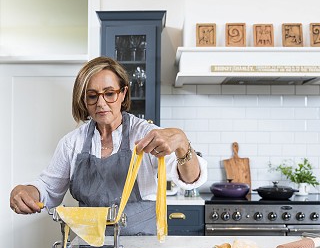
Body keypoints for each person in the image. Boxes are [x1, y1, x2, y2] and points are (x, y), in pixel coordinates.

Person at [10, 56, 207, 235]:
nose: (101, 103)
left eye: (109, 93)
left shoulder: (145, 135)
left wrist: (182, 143)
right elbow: (47, 188)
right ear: (84, 100)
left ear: (123, 94)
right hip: (88, 245)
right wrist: (26, 190)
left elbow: (191, 179)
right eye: (92, 95)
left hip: (140, 244)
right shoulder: (72, 143)